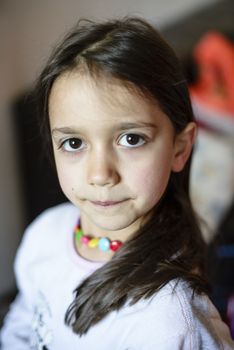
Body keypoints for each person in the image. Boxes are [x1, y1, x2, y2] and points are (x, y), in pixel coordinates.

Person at [1, 17, 233, 350]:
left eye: (131, 138)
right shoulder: (44, 235)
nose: (100, 174)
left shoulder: (167, 319)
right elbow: (21, 327)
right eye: (74, 143)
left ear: (179, 149)